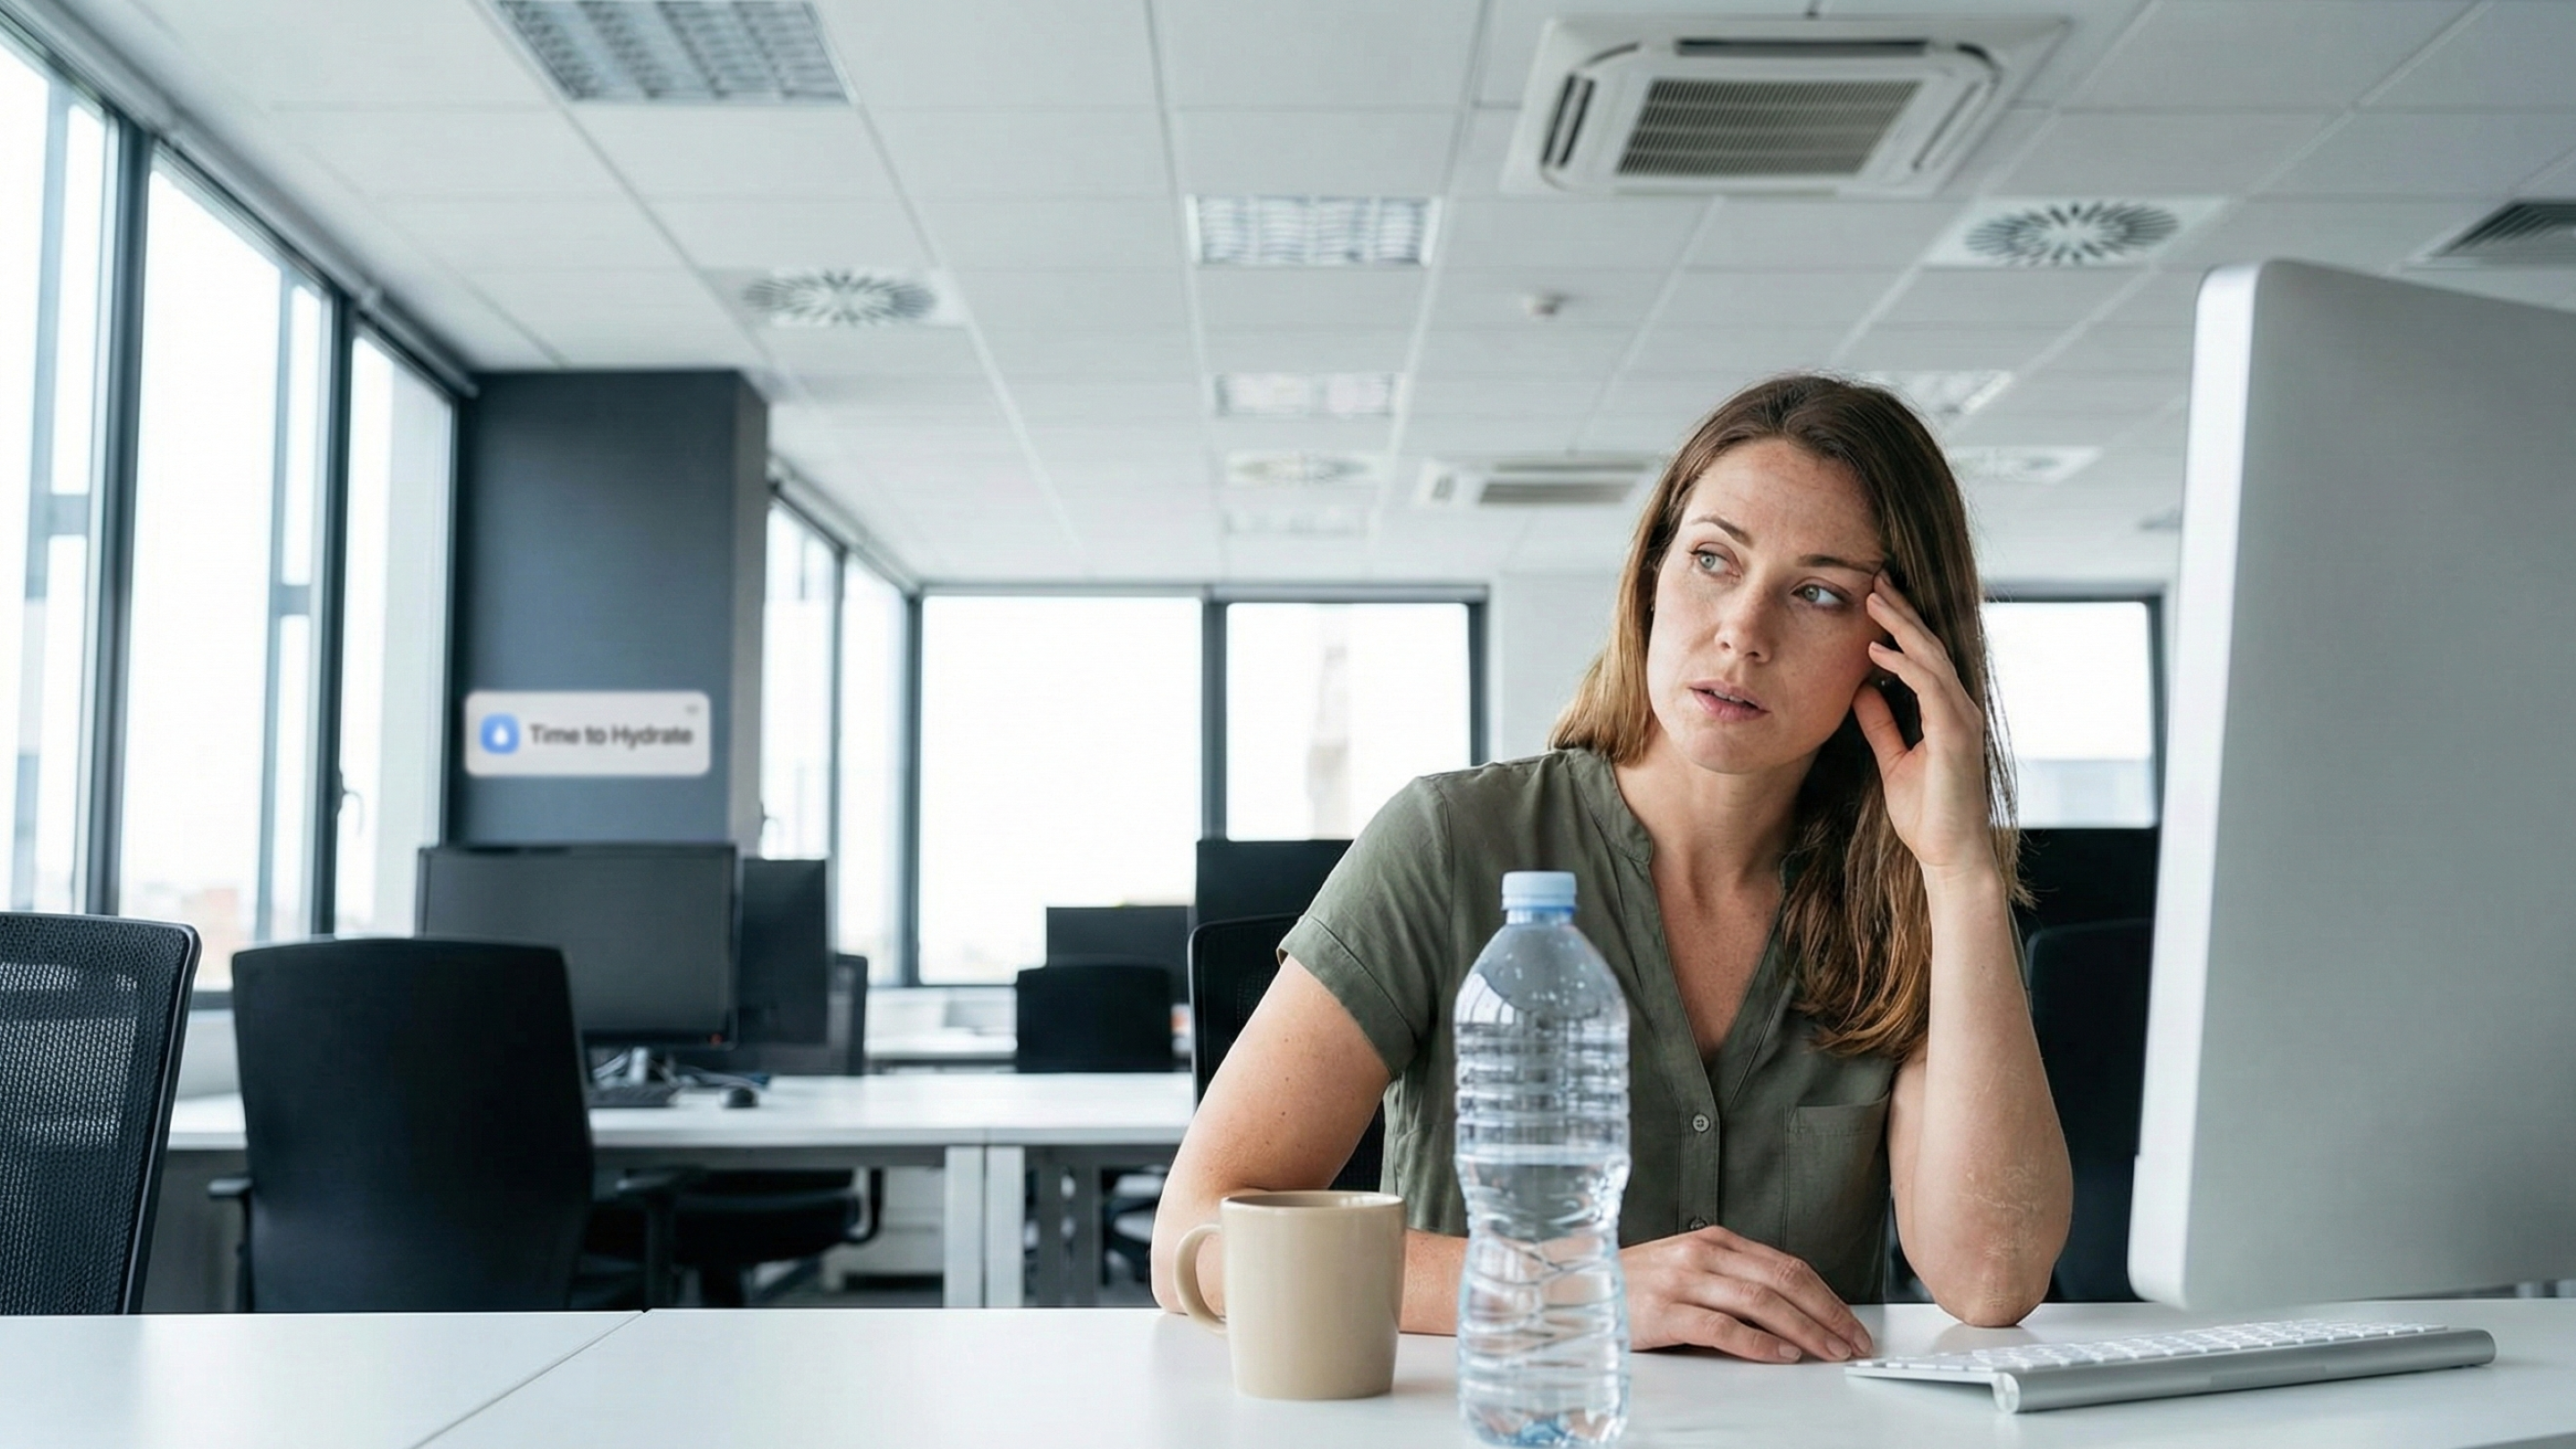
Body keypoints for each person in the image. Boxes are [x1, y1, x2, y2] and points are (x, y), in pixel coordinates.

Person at [1151, 373, 2072, 1362]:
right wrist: (1566, 1289)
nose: (1743, 633)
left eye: (1818, 592)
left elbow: (1991, 1279)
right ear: (1650, 578)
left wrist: (1965, 871)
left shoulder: (1905, 901)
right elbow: (1199, 1242)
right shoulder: (1450, 841)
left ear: (1896, 649)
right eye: (1714, 560)